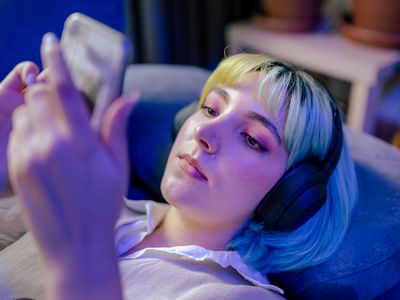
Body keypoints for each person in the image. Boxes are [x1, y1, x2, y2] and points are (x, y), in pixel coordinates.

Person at [0, 32, 357, 299]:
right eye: (211, 109)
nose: (205, 131)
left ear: (291, 194)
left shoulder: (241, 297)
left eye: (251, 138)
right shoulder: (98, 203)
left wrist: (83, 254)